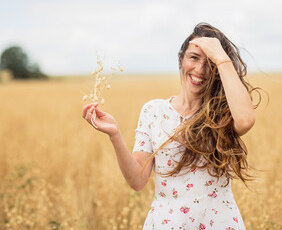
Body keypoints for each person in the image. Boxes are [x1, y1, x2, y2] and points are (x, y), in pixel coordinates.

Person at [82, 23, 260, 230]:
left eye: (210, 62)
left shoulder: (223, 113)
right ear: (181, 59)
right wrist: (115, 135)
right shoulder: (153, 111)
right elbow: (137, 181)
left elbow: (246, 120)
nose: (200, 70)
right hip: (168, 224)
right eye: (194, 58)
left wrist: (221, 58)